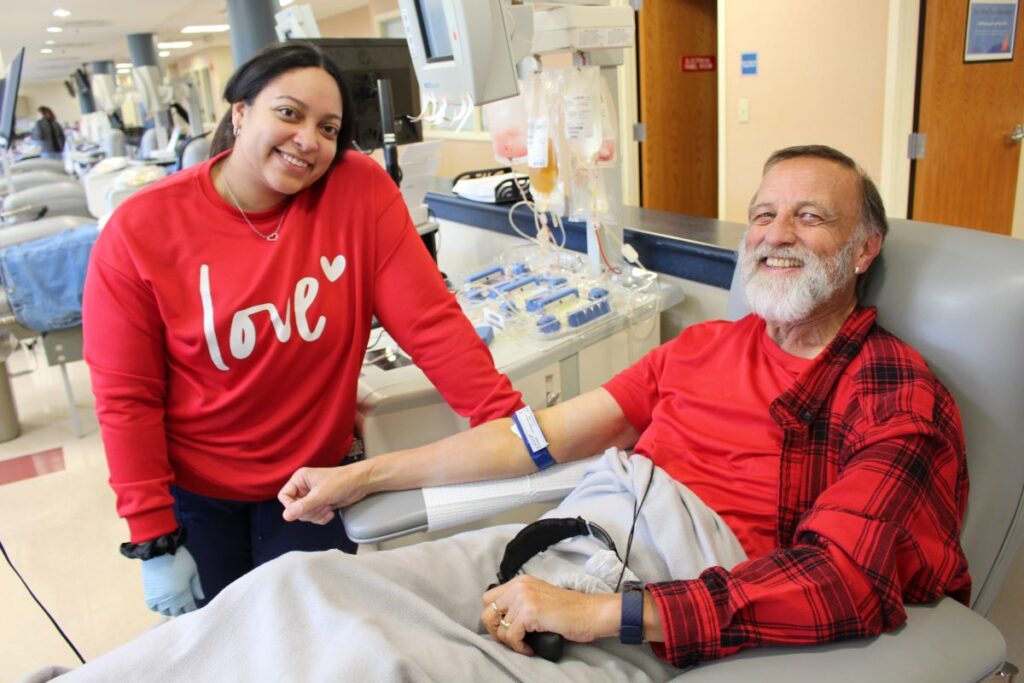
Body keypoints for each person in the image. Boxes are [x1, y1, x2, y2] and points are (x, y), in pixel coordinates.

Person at [58, 145, 970, 681]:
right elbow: (537, 439)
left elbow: (842, 580)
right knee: (297, 588)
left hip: (669, 579)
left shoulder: (888, 387)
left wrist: (602, 613)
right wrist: (362, 473)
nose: (773, 233)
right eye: (764, 212)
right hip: (574, 524)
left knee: (371, 664)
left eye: (809, 217)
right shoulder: (699, 349)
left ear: (862, 250)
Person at [81, 43, 522, 616]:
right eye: (288, 113)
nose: (309, 139)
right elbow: (126, 398)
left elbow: (431, 324)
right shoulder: (142, 230)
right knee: (227, 650)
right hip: (198, 498)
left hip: (315, 488)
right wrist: (151, 535)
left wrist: (516, 429)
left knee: (312, 641)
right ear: (240, 113)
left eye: (329, 127)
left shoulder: (356, 191)